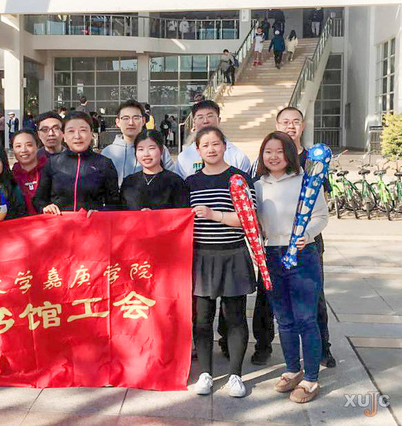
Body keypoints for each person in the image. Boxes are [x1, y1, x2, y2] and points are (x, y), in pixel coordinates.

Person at [255, 131, 328, 403]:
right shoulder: (257, 185)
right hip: (271, 256)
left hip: (302, 255)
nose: (273, 156)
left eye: (279, 151)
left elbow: (321, 216)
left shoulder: (305, 181)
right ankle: (292, 369)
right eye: (268, 151)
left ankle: (311, 378)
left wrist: (306, 235)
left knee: (306, 318)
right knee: (283, 319)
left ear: (289, 153)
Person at [186, 126, 256, 398]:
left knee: (235, 317)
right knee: (202, 319)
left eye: (216, 144)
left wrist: (214, 215)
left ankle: (236, 374)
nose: (211, 149)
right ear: (198, 150)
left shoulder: (239, 179)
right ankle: (205, 373)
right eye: (205, 145)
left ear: (225, 146)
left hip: (233, 254)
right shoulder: (191, 182)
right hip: (201, 257)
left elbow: (248, 219)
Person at [33, 111, 119, 214]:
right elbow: (39, 199)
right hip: (60, 222)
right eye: (71, 131)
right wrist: (45, 207)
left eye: (83, 130)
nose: (77, 136)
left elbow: (115, 203)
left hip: (92, 223)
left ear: (91, 133)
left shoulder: (104, 164)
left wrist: (100, 212)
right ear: (63, 135)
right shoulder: (52, 164)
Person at [101, 100, 174, 185]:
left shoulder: (158, 149)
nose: (131, 123)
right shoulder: (108, 153)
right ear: (118, 122)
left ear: (143, 121)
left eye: (136, 118)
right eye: (125, 118)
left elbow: (172, 181)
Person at [176, 100, 251, 180]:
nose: (205, 121)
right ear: (194, 122)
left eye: (210, 116)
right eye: (200, 117)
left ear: (219, 119)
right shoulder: (184, 158)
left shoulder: (237, 156)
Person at [120, 130, 187, 210]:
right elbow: (121, 214)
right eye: (141, 149)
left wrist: (153, 215)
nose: (146, 154)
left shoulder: (175, 182)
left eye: (151, 148)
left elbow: (182, 214)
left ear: (161, 150)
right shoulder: (128, 182)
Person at [12, 130, 47, 215]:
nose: (23, 150)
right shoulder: (10, 177)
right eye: (18, 146)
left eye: (29, 145)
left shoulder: (50, 170)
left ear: (37, 146)